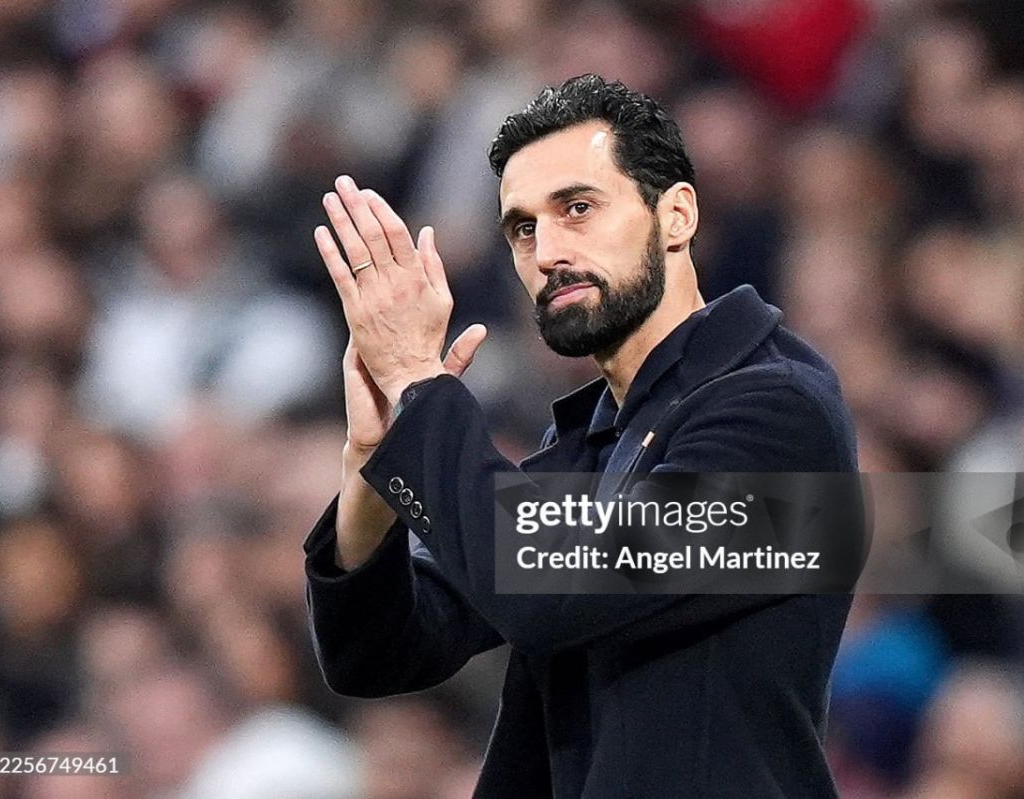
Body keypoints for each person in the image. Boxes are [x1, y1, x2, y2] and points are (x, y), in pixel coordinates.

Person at [302, 74, 858, 798]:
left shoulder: (776, 409)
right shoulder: (594, 442)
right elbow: (375, 654)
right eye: (523, 228)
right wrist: (372, 471)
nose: (546, 252)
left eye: (578, 208)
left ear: (676, 215)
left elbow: (553, 591)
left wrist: (417, 382)